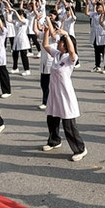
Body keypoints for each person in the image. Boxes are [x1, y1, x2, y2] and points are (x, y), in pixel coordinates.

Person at [40, 19, 88, 162]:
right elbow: (45, 45)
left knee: (68, 124)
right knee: (52, 118)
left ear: (66, 45)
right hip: (54, 92)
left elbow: (73, 52)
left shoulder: (70, 58)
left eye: (61, 42)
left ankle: (80, 148)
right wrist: (46, 31)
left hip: (65, 94)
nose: (59, 43)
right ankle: (54, 140)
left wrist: (66, 35)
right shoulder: (57, 55)